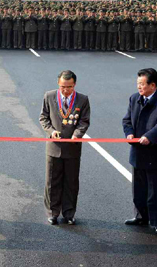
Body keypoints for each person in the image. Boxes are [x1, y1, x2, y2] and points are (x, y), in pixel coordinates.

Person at [122, 68, 157, 235]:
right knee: (139, 190)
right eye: (137, 84)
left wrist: (149, 136)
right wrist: (129, 133)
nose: (139, 87)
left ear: (153, 85)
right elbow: (126, 120)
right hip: (138, 152)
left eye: (142, 84)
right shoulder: (134, 98)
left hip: (155, 153)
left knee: (156, 191)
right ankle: (140, 217)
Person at [39, 70, 90, 225]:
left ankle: (69, 213)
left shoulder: (82, 99)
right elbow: (43, 117)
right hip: (54, 146)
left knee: (71, 182)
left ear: (74, 84)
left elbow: (84, 121)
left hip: (73, 148)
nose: (66, 90)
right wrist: (51, 131)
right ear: (58, 83)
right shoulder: (49, 96)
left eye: (69, 87)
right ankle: (52, 212)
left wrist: (77, 134)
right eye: (63, 87)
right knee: (52, 181)